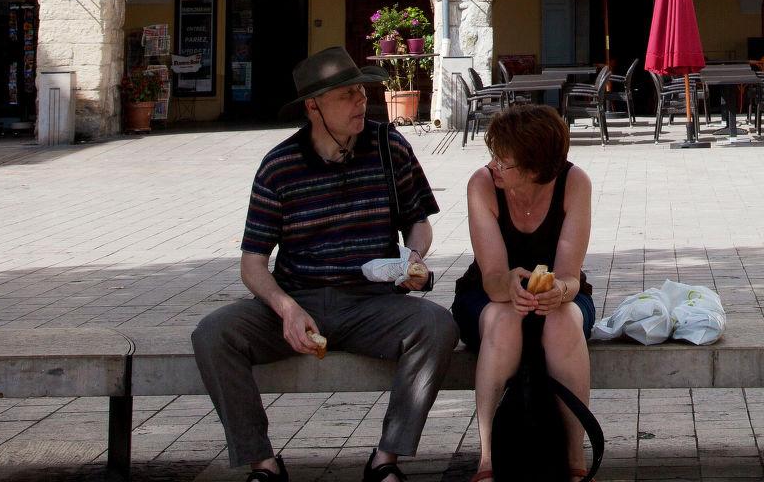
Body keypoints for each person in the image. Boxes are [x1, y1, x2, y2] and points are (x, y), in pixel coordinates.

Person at [192, 47, 455, 482]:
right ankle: (263, 464)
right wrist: (285, 308)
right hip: (300, 300)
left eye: (360, 92)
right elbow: (253, 263)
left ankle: (386, 459)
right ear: (313, 106)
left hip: (372, 302)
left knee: (438, 326)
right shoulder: (279, 166)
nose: (360, 102)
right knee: (213, 334)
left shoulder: (389, 145)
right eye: (346, 95)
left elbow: (418, 221)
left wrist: (413, 258)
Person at [456, 105, 594, 482]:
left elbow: (570, 275)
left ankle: (574, 459)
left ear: (535, 168)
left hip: (558, 296)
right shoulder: (482, 184)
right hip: (491, 294)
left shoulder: (574, 182)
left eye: (505, 161)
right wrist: (509, 287)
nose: (494, 165)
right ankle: (488, 457)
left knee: (564, 321)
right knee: (502, 320)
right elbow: (493, 276)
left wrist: (560, 291)